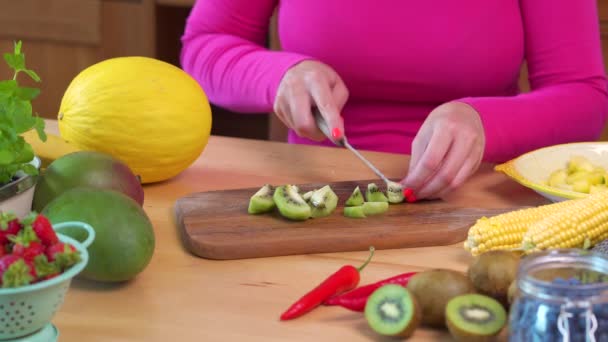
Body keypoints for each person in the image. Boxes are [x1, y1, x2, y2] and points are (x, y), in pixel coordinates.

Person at [180, 0, 608, 200]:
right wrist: (277, 76)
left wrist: (484, 122)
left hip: (479, 200)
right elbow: (204, 47)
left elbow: (585, 95)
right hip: (319, 198)